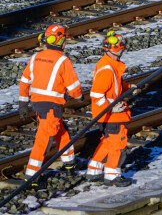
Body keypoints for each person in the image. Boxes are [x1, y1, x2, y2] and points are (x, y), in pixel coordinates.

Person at [18, 24, 82, 180]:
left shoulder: (35, 57)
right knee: (44, 140)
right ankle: (32, 177)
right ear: (60, 41)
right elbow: (73, 86)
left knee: (62, 132)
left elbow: (24, 82)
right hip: (52, 106)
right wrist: (79, 96)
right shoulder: (63, 60)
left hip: (38, 104)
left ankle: (69, 164)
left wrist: (23, 104)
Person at [86, 31, 133, 186]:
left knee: (107, 142)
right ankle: (112, 175)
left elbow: (113, 87)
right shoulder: (107, 70)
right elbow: (96, 94)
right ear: (119, 50)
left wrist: (127, 88)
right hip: (112, 114)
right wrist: (110, 109)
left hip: (106, 114)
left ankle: (94, 170)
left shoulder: (109, 65)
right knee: (117, 144)